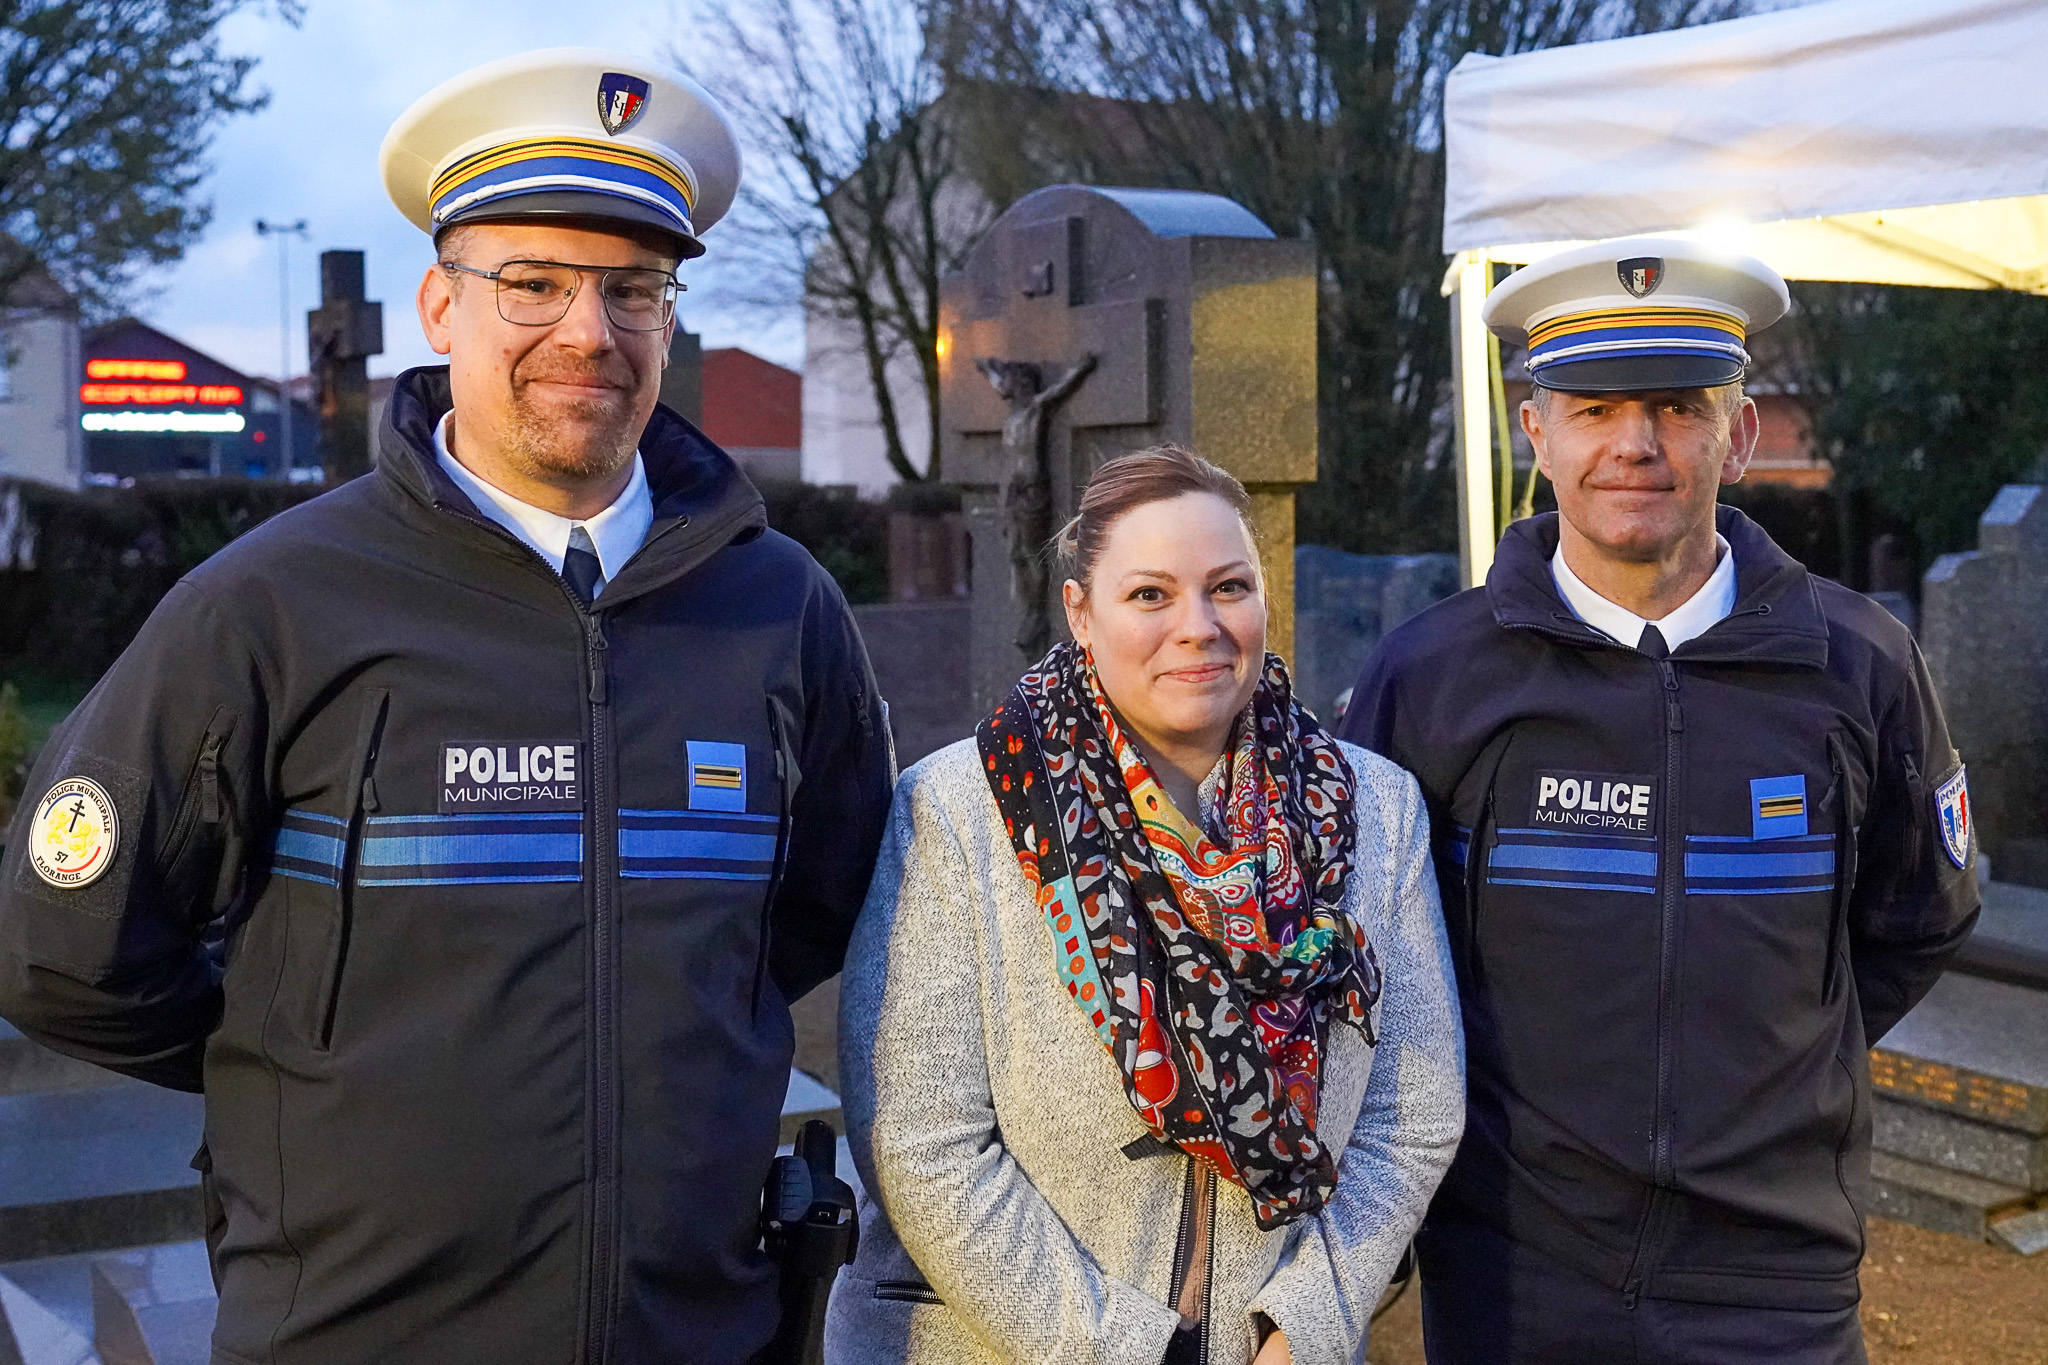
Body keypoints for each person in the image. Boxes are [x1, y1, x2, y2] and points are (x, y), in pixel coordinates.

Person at [0, 49, 893, 1364]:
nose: (588, 331)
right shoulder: (271, 602)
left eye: (632, 290)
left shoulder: (780, 608)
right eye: (532, 282)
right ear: (440, 305)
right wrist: (299, 1068)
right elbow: (64, 953)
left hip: (697, 1332)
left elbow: (814, 913)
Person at [1339, 237, 1981, 1364]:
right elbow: (1368, 954)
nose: (1633, 444)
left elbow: (1914, 921)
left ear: (1740, 435)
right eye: (1593, 409)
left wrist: (1774, 1074)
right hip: (1513, 1272)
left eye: (1678, 408)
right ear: (1534, 432)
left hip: (1774, 1275)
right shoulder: (1429, 676)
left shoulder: (1859, 662)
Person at [828, 447, 1464, 1365]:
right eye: (1150, 594)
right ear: (1081, 612)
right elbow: (921, 1139)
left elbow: (1413, 1114)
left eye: (1229, 587)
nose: (1199, 627)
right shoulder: (960, 811)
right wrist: (1128, 1351)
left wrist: (1301, 1329)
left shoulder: (1375, 809)